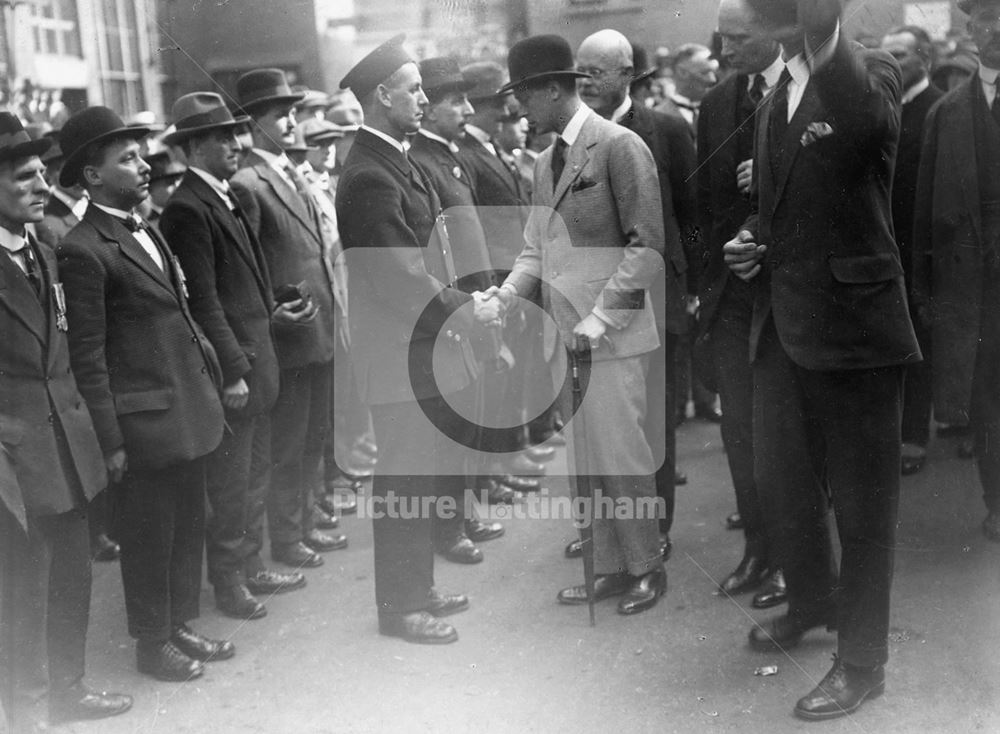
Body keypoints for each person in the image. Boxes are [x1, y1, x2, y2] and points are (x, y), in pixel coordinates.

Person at [723, 0, 920, 720]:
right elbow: (782, 203)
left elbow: (865, 136)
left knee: (865, 505)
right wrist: (752, 241)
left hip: (856, 330)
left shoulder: (872, 74)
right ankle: (811, 601)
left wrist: (824, 33)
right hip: (783, 323)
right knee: (784, 481)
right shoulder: (779, 91)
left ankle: (863, 662)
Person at [336, 34, 503, 644]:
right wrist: (466, 309)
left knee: (422, 476)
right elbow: (398, 278)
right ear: (382, 95)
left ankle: (416, 588)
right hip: (401, 355)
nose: (424, 98)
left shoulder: (392, 160)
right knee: (405, 481)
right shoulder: (368, 174)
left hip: (421, 348)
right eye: (413, 88)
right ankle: (400, 607)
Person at [56, 106, 233, 682]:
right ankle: (152, 643)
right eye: (127, 159)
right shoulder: (84, 249)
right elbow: (89, 356)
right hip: (143, 423)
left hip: (185, 409)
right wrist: (111, 439)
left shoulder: (145, 226)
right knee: (149, 535)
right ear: (92, 176)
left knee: (186, 523)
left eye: (141, 156)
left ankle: (180, 623)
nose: (143, 167)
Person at [495, 34, 667, 615]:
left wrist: (601, 317)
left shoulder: (620, 146)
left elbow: (647, 249)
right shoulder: (546, 163)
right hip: (567, 337)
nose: (519, 107)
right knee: (586, 462)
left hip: (611, 336)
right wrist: (508, 292)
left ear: (551, 89)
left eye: (523, 94)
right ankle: (609, 567)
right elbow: (535, 250)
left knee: (622, 456)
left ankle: (647, 567)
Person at [0, 112, 132, 733]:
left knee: (73, 580)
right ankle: (26, 715)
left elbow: (69, 355)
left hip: (67, 450)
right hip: (15, 463)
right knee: (23, 595)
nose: (39, 183)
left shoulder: (45, 252)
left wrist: (98, 442)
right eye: (23, 175)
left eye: (40, 172)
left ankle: (69, 691)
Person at [159, 92, 308, 621]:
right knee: (231, 483)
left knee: (255, 473)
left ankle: (249, 566)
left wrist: (274, 308)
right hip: (239, 368)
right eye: (221, 137)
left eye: (235, 134)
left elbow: (244, 283)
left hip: (257, 360)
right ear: (193, 147)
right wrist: (234, 371)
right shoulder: (186, 208)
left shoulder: (220, 196)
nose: (235, 144)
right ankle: (229, 581)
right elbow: (203, 299)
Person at [571, 28, 690, 565]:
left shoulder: (663, 129)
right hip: (595, 306)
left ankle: (653, 529)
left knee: (652, 423)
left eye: (598, 71)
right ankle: (609, 534)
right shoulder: (572, 137)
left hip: (657, 299)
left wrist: (690, 291)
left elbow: (689, 216)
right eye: (581, 71)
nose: (587, 81)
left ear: (628, 74)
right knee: (601, 426)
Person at [231, 69, 346, 570]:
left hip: (317, 324)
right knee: (290, 441)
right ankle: (287, 534)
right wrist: (269, 313)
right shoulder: (248, 183)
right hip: (291, 330)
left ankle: (302, 519)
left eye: (294, 112)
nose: (293, 122)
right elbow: (247, 264)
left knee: (314, 433)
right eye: (281, 115)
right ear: (254, 124)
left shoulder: (290, 171)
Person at [696, 0, 787, 607]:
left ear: (776, 33)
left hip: (789, 293)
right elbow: (705, 203)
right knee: (740, 430)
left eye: (739, 38)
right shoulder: (715, 103)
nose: (726, 51)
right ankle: (759, 548)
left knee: (790, 431)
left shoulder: (804, 90)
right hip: (732, 294)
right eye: (723, 39)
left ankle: (793, 557)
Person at [407, 56, 509, 561]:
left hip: (475, 299)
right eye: (456, 102)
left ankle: (464, 510)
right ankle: (449, 526)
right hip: (453, 305)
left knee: (471, 412)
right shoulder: (422, 162)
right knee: (452, 418)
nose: (467, 110)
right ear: (428, 110)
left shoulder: (450, 156)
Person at [913, 0, 1000, 541]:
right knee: (987, 398)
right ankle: (997, 501)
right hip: (976, 289)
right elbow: (924, 211)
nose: (996, 32)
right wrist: (925, 290)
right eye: (987, 21)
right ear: (970, 30)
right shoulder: (947, 113)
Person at [880, 25, 944, 476]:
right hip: (884, 240)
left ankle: (914, 436)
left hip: (925, 244)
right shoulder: (882, 105)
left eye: (900, 55)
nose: (891, 63)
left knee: (921, 339)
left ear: (924, 57)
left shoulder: (939, 106)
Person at [654, 43, 719, 139]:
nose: (712, 79)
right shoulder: (657, 117)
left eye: (713, 72)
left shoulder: (720, 112)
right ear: (682, 72)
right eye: (705, 73)